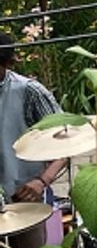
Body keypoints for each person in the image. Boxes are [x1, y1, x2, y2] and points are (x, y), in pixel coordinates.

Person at [0, 33, 67, 203]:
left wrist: (42, 181)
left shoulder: (30, 92)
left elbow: (65, 144)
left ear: (9, 64)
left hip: (25, 200)